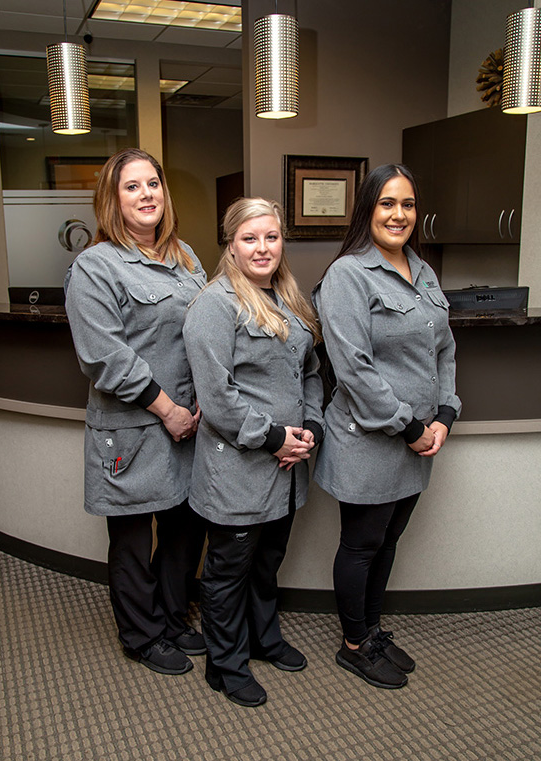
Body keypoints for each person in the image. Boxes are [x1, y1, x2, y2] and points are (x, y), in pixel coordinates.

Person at [312, 164, 461, 690]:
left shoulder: (423, 271)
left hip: (419, 439)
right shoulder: (348, 275)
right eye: (387, 204)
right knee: (361, 543)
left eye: (409, 205)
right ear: (367, 210)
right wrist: (410, 427)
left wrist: (444, 414)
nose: (400, 215)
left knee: (389, 539)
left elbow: (444, 349)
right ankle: (354, 644)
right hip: (370, 439)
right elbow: (354, 369)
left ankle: (372, 630)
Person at [65, 148, 207, 676]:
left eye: (153, 184)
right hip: (134, 427)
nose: (147, 195)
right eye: (132, 187)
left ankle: (171, 619)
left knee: (182, 529)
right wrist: (167, 408)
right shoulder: (95, 266)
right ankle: (141, 636)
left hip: (190, 423)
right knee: (131, 537)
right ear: (113, 199)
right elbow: (105, 357)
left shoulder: (186, 257)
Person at [183, 198, 324, 708]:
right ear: (231, 245)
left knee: (268, 563)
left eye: (271, 237)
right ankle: (225, 665)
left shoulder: (289, 298)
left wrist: (309, 427)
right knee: (227, 572)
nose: (262, 247)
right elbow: (217, 397)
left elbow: (309, 373)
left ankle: (264, 640)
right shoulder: (215, 306)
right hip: (239, 469)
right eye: (250, 238)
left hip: (287, 471)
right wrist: (274, 438)